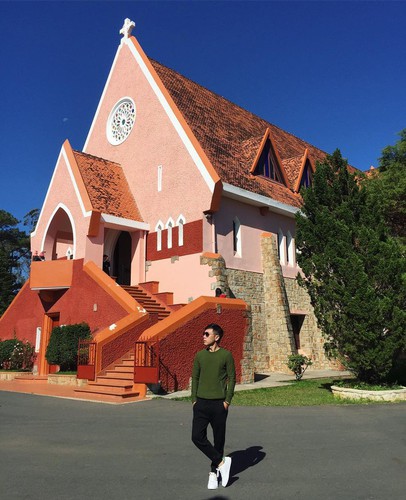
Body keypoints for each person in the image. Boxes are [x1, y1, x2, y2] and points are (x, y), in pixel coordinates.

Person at [191, 323, 236, 490]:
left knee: (219, 440)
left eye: (206, 334)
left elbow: (232, 378)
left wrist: (227, 401)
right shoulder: (199, 356)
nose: (203, 336)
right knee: (196, 437)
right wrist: (194, 399)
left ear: (216, 337)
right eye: (203, 333)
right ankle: (222, 461)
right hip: (201, 403)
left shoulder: (226, 355)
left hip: (219, 404)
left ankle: (213, 473)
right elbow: (194, 378)